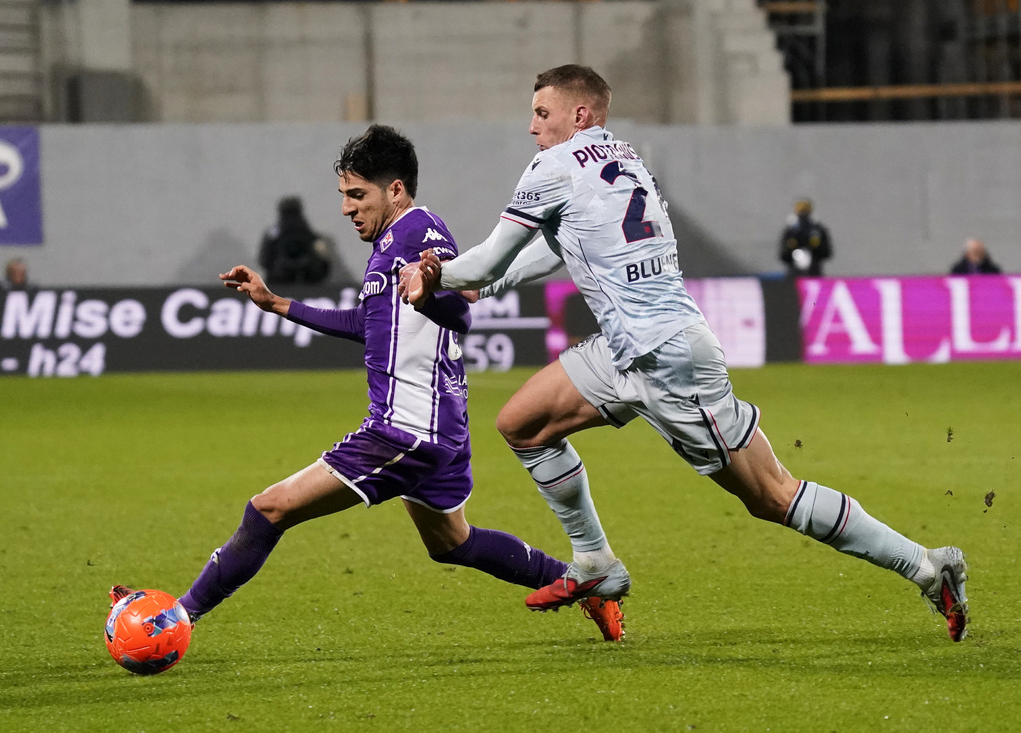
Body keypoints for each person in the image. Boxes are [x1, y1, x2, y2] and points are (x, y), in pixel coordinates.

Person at [400, 65, 969, 642]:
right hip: (629, 349)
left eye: (542, 113)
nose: (532, 127)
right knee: (523, 425)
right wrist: (477, 286)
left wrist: (437, 275)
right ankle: (595, 562)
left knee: (773, 496)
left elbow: (491, 257)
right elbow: (555, 247)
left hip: (668, 361)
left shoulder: (553, 167)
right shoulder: (625, 161)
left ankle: (926, 566)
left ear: (579, 114)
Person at [111, 124, 624, 643]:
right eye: (344, 195)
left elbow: (459, 313)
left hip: (406, 430)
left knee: (269, 508)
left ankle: (171, 619)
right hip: (436, 428)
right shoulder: (394, 242)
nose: (346, 208)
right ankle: (589, 587)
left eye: (357, 195)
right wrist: (277, 303)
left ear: (395, 190)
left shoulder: (417, 234)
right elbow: (368, 324)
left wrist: (430, 296)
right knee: (453, 543)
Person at [258, 196, 332, 285]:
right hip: (285, 278)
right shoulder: (274, 236)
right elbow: (265, 261)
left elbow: (264, 260)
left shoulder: (273, 236)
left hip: (304, 276)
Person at [779, 198, 832, 277]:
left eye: (805, 210)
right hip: (794, 272)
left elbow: (826, 252)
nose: (803, 214)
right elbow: (783, 254)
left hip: (814, 271)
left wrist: (814, 248)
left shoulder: (818, 230)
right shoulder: (790, 231)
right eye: (801, 211)